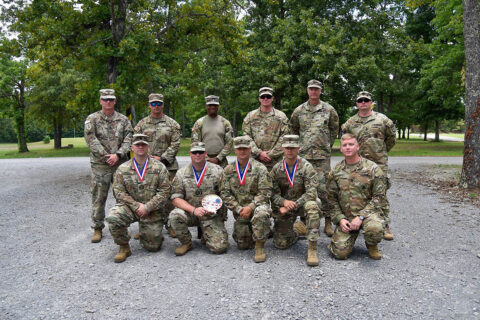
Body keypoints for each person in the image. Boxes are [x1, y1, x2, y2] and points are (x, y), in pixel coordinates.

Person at [105, 134, 171, 263]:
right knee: (113, 217)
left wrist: (147, 207)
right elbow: (118, 192)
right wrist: (136, 206)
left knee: (152, 247)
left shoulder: (159, 167)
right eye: (137, 145)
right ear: (132, 148)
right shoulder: (122, 169)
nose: (140, 147)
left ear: (148, 147)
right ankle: (124, 246)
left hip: (151, 209)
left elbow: (165, 191)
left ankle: (150, 230)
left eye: (143, 145)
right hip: (130, 207)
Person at [341, 91, 396, 240]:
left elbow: (391, 139)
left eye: (366, 100)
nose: (363, 102)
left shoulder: (383, 120)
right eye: (360, 100)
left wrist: (381, 152)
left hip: (378, 163)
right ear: (356, 104)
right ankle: (356, 221)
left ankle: (385, 226)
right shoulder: (350, 123)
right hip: (357, 164)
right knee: (356, 192)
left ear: (371, 102)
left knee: (381, 194)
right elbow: (346, 139)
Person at [289, 79, 339, 237]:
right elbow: (294, 129)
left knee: (325, 189)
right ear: (307, 90)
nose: (314, 92)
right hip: (303, 157)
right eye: (311, 89)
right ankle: (304, 222)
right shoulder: (299, 111)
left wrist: (326, 145)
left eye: (316, 89)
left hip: (322, 157)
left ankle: (328, 222)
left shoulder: (329, 109)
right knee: (303, 188)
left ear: (320, 91)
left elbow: (333, 129)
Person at [84, 89, 133, 243]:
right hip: (101, 164)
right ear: (100, 101)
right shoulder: (92, 119)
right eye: (105, 99)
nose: (108, 102)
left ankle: (123, 226)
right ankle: (97, 228)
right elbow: (91, 139)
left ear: (115, 101)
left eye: (111, 99)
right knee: (99, 196)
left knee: (124, 196)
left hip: (120, 164)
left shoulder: (124, 120)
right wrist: (106, 156)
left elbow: (129, 138)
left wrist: (117, 155)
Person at [327, 134, 386, 260]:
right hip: (347, 218)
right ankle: (343, 238)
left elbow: (379, 197)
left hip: (368, 215)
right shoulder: (336, 170)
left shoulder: (372, 168)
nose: (348, 147)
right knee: (339, 253)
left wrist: (361, 217)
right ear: (341, 149)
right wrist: (340, 219)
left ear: (358, 147)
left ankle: (371, 244)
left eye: (351, 144)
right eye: (344, 145)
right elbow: (331, 199)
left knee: (374, 229)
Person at [169, 142, 229, 256]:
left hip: (211, 214)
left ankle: (206, 234)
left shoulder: (218, 171)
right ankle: (186, 243)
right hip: (190, 213)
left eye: (200, 152)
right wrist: (193, 210)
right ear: (190, 154)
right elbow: (176, 198)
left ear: (205, 153)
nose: (198, 155)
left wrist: (215, 208)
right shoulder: (181, 173)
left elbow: (225, 194)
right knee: (175, 215)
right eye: (194, 152)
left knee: (219, 248)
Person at [134, 93, 181, 238]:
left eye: (158, 103)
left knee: (169, 197)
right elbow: (136, 143)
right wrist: (147, 158)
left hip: (168, 166)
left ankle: (171, 225)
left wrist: (162, 158)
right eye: (153, 104)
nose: (156, 106)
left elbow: (175, 143)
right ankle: (145, 226)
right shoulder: (141, 124)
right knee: (146, 195)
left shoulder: (172, 124)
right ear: (149, 105)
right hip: (146, 166)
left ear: (162, 105)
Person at [270, 135, 321, 266]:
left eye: (293, 147)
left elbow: (311, 192)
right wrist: (283, 203)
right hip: (284, 207)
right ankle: (297, 231)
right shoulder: (276, 169)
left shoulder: (307, 167)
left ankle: (312, 248)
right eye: (287, 147)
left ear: (299, 148)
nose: (290, 150)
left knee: (314, 205)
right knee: (280, 243)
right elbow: (271, 193)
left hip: (302, 204)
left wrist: (294, 204)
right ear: (282, 149)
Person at [220, 136, 272, 263]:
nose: (242, 151)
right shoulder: (228, 170)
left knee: (260, 214)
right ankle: (260, 230)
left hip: (257, 207)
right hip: (241, 212)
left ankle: (259, 247)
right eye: (239, 149)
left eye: (245, 149)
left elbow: (266, 191)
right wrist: (238, 209)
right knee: (242, 245)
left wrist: (251, 207)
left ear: (250, 150)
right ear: (235, 150)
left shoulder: (260, 168)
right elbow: (225, 193)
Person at [242, 87, 289, 171]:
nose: (265, 99)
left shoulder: (281, 116)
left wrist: (271, 154)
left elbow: (285, 137)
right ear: (259, 99)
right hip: (255, 160)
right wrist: (259, 153)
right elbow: (246, 136)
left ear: (272, 98)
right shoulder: (250, 116)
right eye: (263, 97)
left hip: (276, 161)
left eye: (268, 96)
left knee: (276, 184)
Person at [191, 95, 233, 168]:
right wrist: (206, 158)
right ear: (206, 106)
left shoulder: (225, 123)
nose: (212, 107)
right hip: (203, 161)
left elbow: (229, 143)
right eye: (210, 105)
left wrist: (218, 158)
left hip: (221, 162)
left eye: (215, 105)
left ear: (218, 106)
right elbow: (195, 142)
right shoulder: (199, 123)